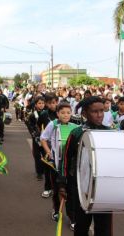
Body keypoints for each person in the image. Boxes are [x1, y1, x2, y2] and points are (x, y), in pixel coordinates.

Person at [58, 96, 113, 236]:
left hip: (104, 188)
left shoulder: (110, 133)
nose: (99, 115)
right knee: (81, 226)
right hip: (82, 188)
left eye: (102, 111)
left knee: (104, 228)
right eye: (95, 111)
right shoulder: (76, 133)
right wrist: (63, 183)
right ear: (85, 114)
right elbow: (65, 159)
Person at [40, 102, 78, 231]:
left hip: (70, 166)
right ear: (57, 114)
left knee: (72, 192)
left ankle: (73, 218)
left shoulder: (75, 126)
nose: (66, 115)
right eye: (62, 113)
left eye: (68, 112)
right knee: (57, 190)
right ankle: (56, 211)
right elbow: (43, 138)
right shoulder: (53, 124)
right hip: (56, 164)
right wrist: (48, 152)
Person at [37, 93, 59, 198]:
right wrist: (40, 137)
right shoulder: (44, 114)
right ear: (46, 104)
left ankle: (58, 188)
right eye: (50, 103)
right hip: (46, 143)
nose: (52, 105)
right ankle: (47, 188)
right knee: (47, 166)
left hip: (59, 144)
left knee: (58, 167)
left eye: (54, 103)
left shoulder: (60, 113)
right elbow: (38, 125)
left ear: (57, 102)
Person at [26, 96, 46, 181]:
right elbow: (29, 125)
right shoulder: (32, 114)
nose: (41, 105)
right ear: (36, 104)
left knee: (46, 154)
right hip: (37, 137)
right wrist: (34, 134)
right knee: (37, 155)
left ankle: (45, 170)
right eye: (39, 103)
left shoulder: (46, 113)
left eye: (43, 103)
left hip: (45, 137)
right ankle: (39, 173)